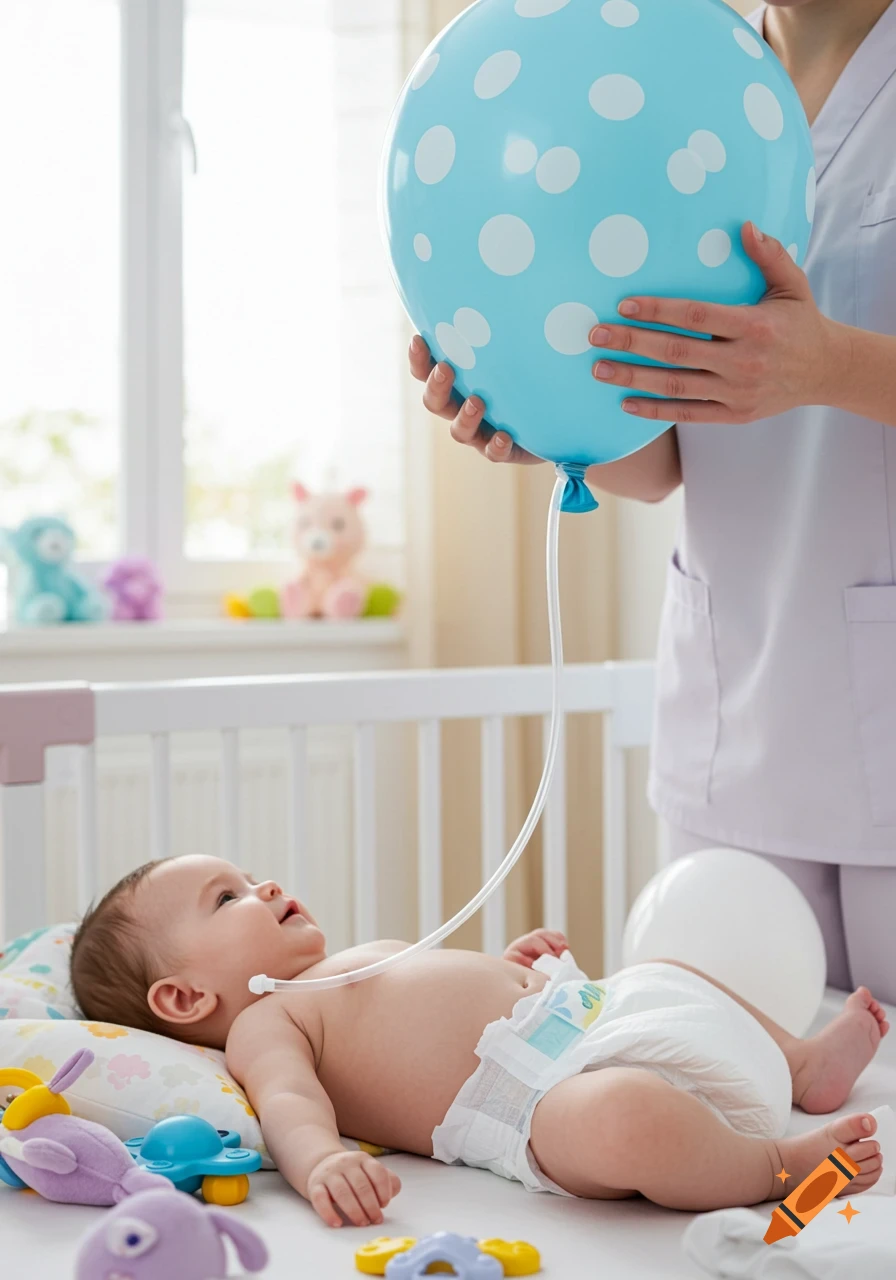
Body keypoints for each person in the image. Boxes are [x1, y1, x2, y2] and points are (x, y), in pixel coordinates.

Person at [410, 0, 896, 1002]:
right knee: (731, 1101)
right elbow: (663, 454)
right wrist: (545, 421)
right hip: (734, 724)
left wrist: (832, 364)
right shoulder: (671, 69)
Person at [70, 857, 888, 1227]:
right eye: (228, 898)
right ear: (183, 997)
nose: (267, 886)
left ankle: (797, 1059)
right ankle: (779, 1167)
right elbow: (287, 1099)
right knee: (621, 1120)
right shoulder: (266, 1022)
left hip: (581, 1014)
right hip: (528, 1100)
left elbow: (444, 1002)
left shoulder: (352, 962)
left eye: (249, 876)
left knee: (667, 965)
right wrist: (320, 1160)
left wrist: (510, 967)